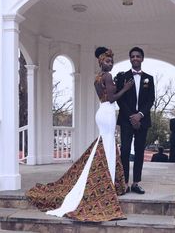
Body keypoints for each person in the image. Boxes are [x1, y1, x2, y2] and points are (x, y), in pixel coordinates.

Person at [25, 47, 134, 222]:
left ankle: (110, 180)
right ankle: (108, 182)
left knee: (105, 144)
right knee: (107, 146)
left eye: (111, 61)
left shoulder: (96, 78)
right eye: (107, 61)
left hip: (101, 111)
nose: (110, 64)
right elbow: (112, 98)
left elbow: (105, 96)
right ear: (101, 62)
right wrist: (126, 88)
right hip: (107, 112)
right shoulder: (106, 76)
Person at [115, 47, 155, 194]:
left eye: (138, 56)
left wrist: (140, 115)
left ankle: (136, 183)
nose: (135, 58)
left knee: (139, 152)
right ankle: (125, 183)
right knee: (124, 151)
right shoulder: (122, 77)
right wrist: (132, 116)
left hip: (143, 121)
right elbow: (120, 99)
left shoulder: (149, 78)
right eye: (132, 56)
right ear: (130, 59)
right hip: (126, 120)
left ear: (142, 58)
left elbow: (151, 99)